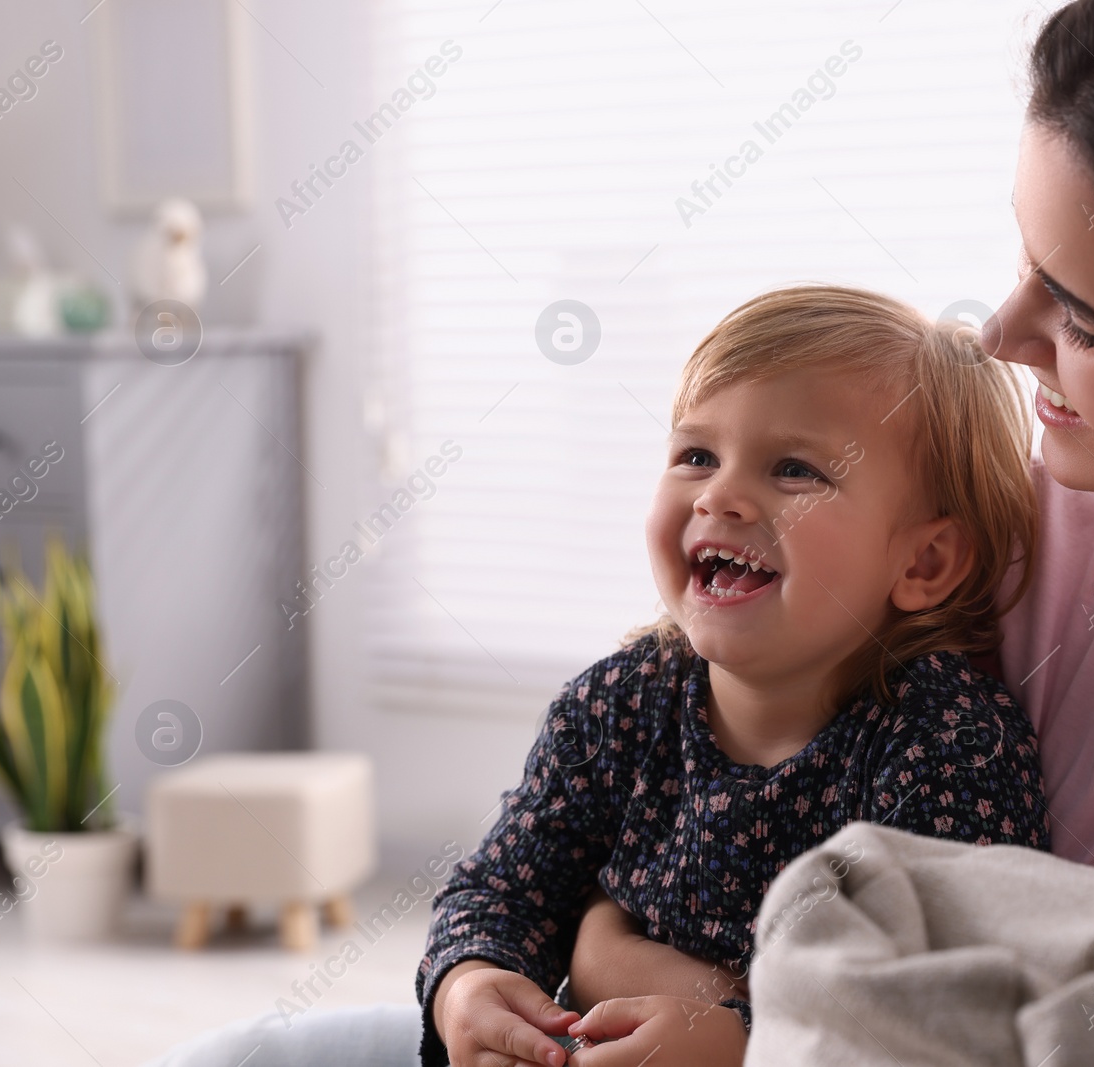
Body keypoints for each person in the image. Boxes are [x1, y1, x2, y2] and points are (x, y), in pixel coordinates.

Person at [140, 1, 1094, 1064]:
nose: (1004, 335)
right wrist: (584, 944)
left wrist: (722, 1011)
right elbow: (673, 756)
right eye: (1027, 265)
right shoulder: (1045, 497)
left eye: (1083, 318)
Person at [420, 284, 1049, 1067]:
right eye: (696, 455)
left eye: (793, 469)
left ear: (922, 561)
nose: (720, 495)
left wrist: (741, 1038)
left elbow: (953, 1015)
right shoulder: (617, 705)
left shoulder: (949, 744)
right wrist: (471, 983)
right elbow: (500, 890)